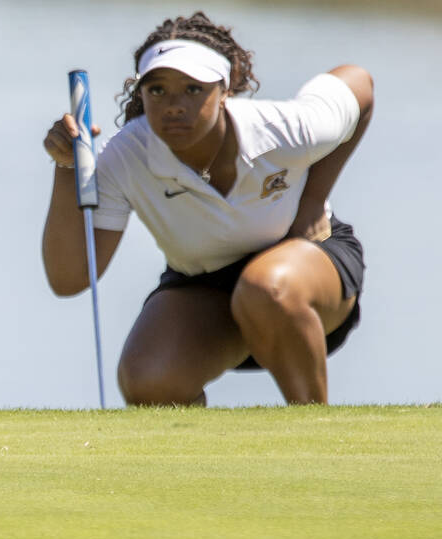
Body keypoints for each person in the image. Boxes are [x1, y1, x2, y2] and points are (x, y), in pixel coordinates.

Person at [42, 11, 374, 405]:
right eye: (158, 90)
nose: (173, 106)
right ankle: (203, 461)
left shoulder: (284, 127)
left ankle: (316, 441)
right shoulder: (125, 156)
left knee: (266, 289)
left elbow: (359, 84)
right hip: (205, 289)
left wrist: (313, 199)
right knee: (149, 381)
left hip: (304, 282)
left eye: (193, 89)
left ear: (225, 88)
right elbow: (70, 279)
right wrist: (67, 166)